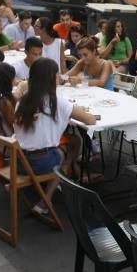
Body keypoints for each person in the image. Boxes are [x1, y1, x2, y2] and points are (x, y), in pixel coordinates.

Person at [13, 58, 96, 213]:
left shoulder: (23, 100)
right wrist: (74, 109)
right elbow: (90, 120)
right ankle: (46, 199)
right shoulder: (56, 102)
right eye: (57, 74)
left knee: (74, 140)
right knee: (68, 148)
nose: (59, 77)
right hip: (39, 163)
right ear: (52, 78)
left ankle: (59, 175)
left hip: (18, 160)